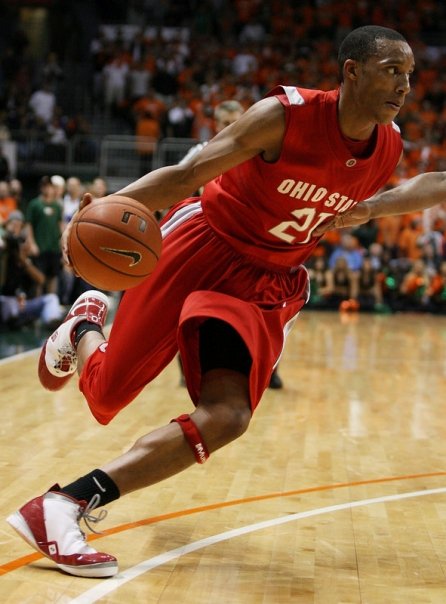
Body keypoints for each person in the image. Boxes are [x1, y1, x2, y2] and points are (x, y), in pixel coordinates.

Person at [7, 26, 416, 578]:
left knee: (228, 417)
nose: (404, 85)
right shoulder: (284, 116)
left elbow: (428, 184)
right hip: (205, 242)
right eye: (393, 69)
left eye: (409, 74)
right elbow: (188, 174)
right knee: (105, 398)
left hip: (266, 282)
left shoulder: (388, 144)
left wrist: (375, 209)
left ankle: (64, 506)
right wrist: (99, 210)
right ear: (351, 71)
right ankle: (83, 326)